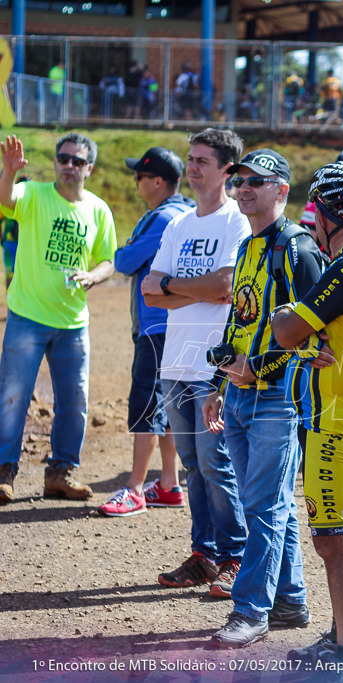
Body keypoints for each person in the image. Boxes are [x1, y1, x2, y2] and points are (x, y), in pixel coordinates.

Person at [202, 148, 325, 649]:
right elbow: (240, 319)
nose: (244, 187)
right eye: (239, 180)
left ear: (282, 190)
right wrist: (219, 383)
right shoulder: (249, 247)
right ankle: (290, 600)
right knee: (272, 505)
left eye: (257, 180)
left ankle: (251, 609)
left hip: (279, 398)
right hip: (238, 394)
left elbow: (314, 329)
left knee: (264, 505)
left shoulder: (296, 248)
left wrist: (259, 368)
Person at [271, 161, 343, 666]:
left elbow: (285, 329)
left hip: (335, 421)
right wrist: (302, 337)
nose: (311, 219)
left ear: (331, 211)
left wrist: (288, 322)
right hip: (337, 413)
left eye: (316, 208)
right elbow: (305, 338)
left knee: (334, 542)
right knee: (331, 538)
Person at [140, 129, 248, 595]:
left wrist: (174, 289)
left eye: (203, 160)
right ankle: (203, 554)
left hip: (213, 366)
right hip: (176, 363)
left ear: (227, 169)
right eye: (191, 158)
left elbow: (225, 286)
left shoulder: (235, 221)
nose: (193, 166)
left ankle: (236, 556)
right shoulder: (179, 223)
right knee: (191, 465)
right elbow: (149, 290)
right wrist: (191, 289)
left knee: (215, 463)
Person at [0, 133, 116, 505]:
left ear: (89, 169)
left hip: (72, 322)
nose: (69, 166)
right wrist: (8, 172)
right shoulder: (32, 193)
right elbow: (5, 199)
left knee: (75, 400)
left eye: (77, 161)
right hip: (27, 316)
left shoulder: (98, 209)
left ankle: (60, 473)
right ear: (55, 162)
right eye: (63, 159)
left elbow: (108, 260)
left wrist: (93, 276)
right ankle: (4, 472)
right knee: (13, 397)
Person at [97, 148, 195, 517]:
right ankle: (168, 483)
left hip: (157, 326)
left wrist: (127, 248)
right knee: (167, 405)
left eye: (139, 175)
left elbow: (123, 261)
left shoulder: (164, 217)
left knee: (145, 406)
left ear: (157, 181)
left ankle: (135, 487)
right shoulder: (186, 212)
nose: (135, 180)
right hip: (175, 323)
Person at [0, 175, 30, 290]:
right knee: (24, 273)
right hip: (24, 243)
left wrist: (2, 240)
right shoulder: (32, 202)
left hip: (9, 241)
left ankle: (11, 302)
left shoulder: (9, 201)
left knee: (10, 273)